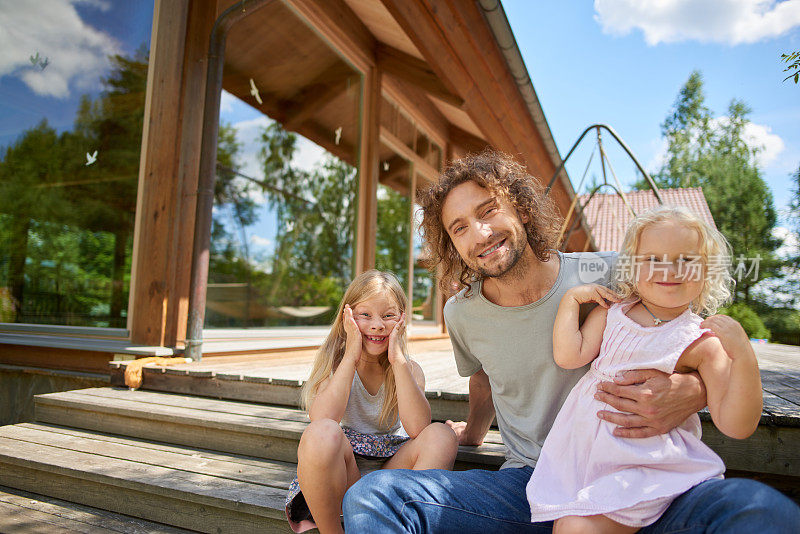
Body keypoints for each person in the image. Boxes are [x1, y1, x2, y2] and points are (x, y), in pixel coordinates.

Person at [342, 150, 800, 533]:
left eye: (487, 211)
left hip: (643, 481)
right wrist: (474, 434)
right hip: (529, 486)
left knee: (759, 509)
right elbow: (483, 379)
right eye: (459, 227)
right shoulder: (460, 312)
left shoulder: (609, 272)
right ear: (451, 244)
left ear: (520, 208)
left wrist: (692, 391)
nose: (479, 233)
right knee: (371, 498)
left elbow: (682, 332)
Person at [527, 206, 763, 532]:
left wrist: (744, 358)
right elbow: (569, 355)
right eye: (653, 259)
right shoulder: (613, 314)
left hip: (645, 465)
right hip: (585, 459)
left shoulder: (702, 341)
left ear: (707, 271)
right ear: (633, 267)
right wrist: (571, 301)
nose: (669, 269)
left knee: (575, 528)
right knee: (567, 523)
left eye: (686, 260)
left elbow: (737, 425)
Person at [285, 270, 458, 534]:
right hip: (342, 476)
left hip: (391, 476)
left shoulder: (409, 370)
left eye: (388, 316)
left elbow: (417, 428)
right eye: (365, 315)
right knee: (321, 432)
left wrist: (398, 361)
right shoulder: (335, 367)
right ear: (348, 317)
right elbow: (322, 419)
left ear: (402, 320)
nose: (377, 325)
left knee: (442, 435)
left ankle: (408, 521)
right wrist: (350, 358)